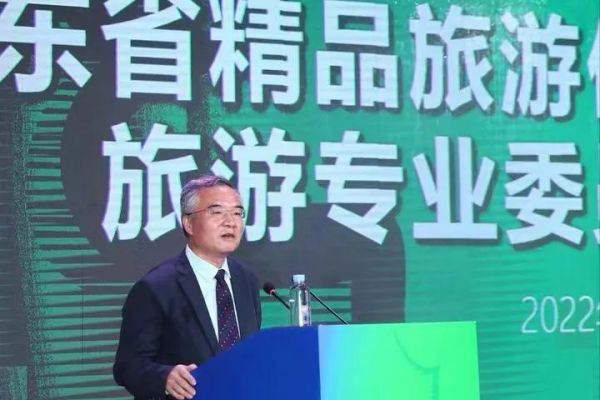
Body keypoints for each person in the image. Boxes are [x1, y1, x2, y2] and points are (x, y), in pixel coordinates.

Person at [113, 175, 262, 400]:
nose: (230, 222)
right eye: (217, 212)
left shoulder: (246, 279)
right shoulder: (156, 287)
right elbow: (128, 366)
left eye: (237, 213)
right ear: (188, 223)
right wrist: (164, 378)